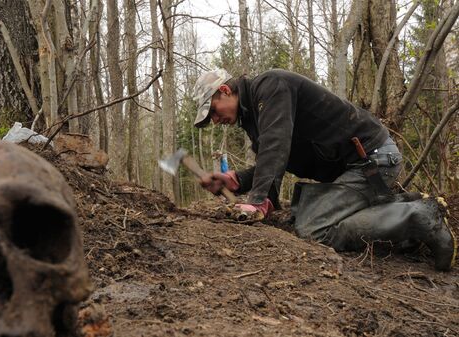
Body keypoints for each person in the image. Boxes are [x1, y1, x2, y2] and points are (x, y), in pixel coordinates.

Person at [192, 68, 456, 271]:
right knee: (305, 211)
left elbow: (276, 144)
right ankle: (405, 203)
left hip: (372, 161)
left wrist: (258, 201)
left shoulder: (271, 86)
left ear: (225, 90)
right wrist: (235, 180)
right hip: (357, 168)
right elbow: (273, 159)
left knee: (314, 227)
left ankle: (417, 217)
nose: (215, 121)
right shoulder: (254, 117)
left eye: (213, 112)